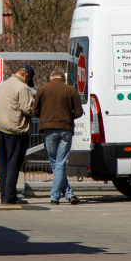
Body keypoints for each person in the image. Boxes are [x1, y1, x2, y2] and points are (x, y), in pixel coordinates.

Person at [33, 69, 83, 205]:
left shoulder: (43, 89)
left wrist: (45, 117)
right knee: (59, 163)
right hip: (66, 129)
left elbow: (34, 110)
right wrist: (67, 116)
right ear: (64, 78)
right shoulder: (71, 90)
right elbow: (79, 111)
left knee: (56, 163)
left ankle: (54, 197)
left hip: (48, 129)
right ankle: (69, 194)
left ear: (51, 77)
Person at [0, 64, 35, 205]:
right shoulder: (22, 87)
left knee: (4, 164)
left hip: (1, 128)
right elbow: (28, 109)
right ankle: (10, 196)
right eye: (29, 80)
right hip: (16, 130)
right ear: (26, 76)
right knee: (14, 164)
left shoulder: (4, 84)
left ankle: (4, 195)